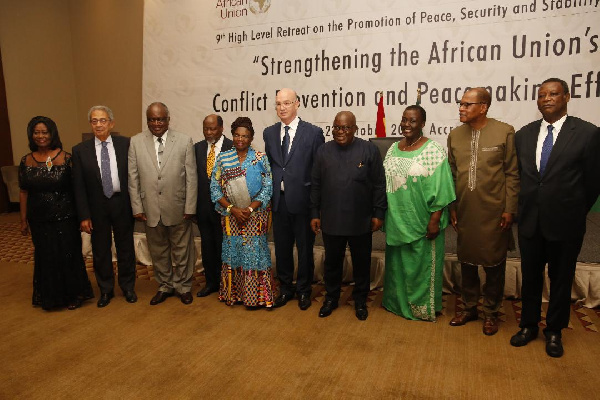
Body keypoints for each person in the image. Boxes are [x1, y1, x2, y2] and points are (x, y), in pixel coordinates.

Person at [511, 78, 600, 357]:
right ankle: (528, 325)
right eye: (541, 95)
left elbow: (593, 182)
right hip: (530, 222)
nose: (546, 99)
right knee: (531, 276)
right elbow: (522, 178)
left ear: (567, 97)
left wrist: (573, 210)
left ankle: (554, 331)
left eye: (553, 94)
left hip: (566, 222)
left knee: (561, 279)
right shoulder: (524, 134)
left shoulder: (587, 133)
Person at [447, 87, 519, 335]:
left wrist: (509, 209)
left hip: (494, 213)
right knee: (466, 262)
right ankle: (469, 308)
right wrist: (452, 207)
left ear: (483, 107)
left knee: (493, 266)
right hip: (465, 210)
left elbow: (512, 173)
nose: (461, 108)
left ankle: (490, 312)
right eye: (461, 103)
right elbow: (452, 174)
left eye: (467, 104)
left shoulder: (504, 131)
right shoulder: (455, 135)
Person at [310, 111, 387, 320]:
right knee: (332, 262)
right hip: (331, 218)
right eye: (336, 127)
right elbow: (315, 184)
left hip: (360, 219)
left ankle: (361, 300)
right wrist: (314, 213)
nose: (340, 132)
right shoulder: (323, 151)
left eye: (345, 128)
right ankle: (331, 298)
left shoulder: (369, 149)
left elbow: (379, 184)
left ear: (355, 129)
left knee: (362, 262)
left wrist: (378, 212)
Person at [382, 105, 455, 321]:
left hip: (423, 221)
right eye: (404, 120)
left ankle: (422, 308)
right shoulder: (393, 148)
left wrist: (435, 220)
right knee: (397, 266)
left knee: (421, 267)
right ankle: (396, 303)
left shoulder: (434, 150)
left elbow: (442, 188)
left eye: (412, 121)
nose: (406, 124)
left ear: (423, 124)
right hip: (397, 219)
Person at [18, 116, 93, 310]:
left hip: (65, 217)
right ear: (31, 135)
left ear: (52, 134)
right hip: (39, 219)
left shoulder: (67, 158)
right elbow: (24, 191)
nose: (41, 136)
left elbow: (78, 189)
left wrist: (83, 215)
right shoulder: (26, 160)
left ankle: (75, 294)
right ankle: (51, 296)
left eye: (45, 132)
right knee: (46, 256)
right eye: (37, 132)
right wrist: (23, 219)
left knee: (68, 255)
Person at [128, 102, 198, 305]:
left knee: (182, 250)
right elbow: (133, 178)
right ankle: (165, 285)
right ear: (147, 120)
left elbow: (191, 178)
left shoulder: (184, 141)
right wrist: (137, 207)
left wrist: (190, 208)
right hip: (150, 208)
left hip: (178, 206)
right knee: (158, 251)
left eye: (160, 119)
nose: (156, 123)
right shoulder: (136, 142)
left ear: (168, 119)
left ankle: (184, 286)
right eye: (152, 119)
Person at [263, 88, 325, 310]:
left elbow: (318, 173)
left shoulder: (313, 133)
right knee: (281, 249)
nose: (282, 108)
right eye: (278, 103)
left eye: (287, 103)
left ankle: (304, 290)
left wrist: (316, 208)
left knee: (305, 249)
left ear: (297, 104)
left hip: (304, 202)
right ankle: (286, 289)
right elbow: (271, 167)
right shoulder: (269, 133)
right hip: (279, 202)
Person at [72, 106, 137, 308]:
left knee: (125, 248)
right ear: (90, 124)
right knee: (100, 250)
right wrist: (84, 215)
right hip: (96, 206)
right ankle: (106, 290)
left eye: (102, 120)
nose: (98, 124)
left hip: (122, 203)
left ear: (111, 123)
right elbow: (78, 186)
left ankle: (127, 287)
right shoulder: (80, 150)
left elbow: (135, 176)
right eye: (94, 121)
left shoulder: (126, 144)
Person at [210, 117, 274, 307]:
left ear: (251, 137)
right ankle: (233, 295)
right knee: (233, 253)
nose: (240, 139)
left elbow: (267, 187)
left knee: (255, 254)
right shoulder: (223, 158)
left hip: (255, 216)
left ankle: (256, 297)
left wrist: (248, 208)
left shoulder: (261, 158)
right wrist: (232, 209)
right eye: (237, 135)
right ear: (232, 136)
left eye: (245, 136)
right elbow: (215, 188)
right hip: (231, 216)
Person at [195, 114, 233, 298]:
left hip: (227, 208)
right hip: (203, 208)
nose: (209, 132)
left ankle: (228, 284)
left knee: (225, 246)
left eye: (213, 129)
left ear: (221, 128)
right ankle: (211, 282)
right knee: (208, 247)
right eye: (206, 129)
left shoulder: (233, 147)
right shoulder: (197, 148)